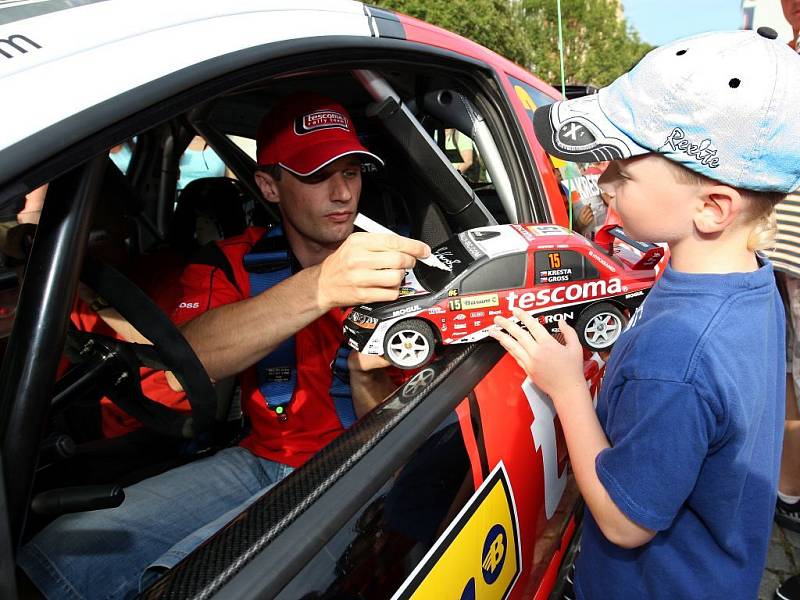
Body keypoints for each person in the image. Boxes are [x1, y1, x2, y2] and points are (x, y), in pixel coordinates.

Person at [17, 92, 431, 599]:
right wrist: (320, 286)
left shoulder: (405, 268)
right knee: (62, 551)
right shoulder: (234, 262)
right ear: (268, 186)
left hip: (358, 467)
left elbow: (418, 436)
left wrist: (369, 376)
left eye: (352, 172)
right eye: (316, 175)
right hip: (258, 457)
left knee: (185, 583)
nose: (342, 193)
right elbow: (185, 364)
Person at [490, 29, 798, 599]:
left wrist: (568, 390)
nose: (602, 181)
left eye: (623, 170)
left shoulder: (677, 356)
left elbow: (625, 522)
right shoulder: (753, 284)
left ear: (711, 208)